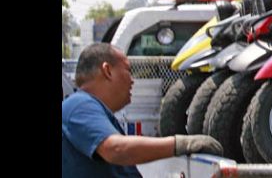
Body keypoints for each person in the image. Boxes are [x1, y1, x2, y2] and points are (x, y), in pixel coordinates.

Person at [62, 43, 223, 177]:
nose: (132, 81)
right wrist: (181, 144)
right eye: (128, 71)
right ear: (107, 70)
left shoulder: (90, 109)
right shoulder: (79, 105)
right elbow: (115, 149)